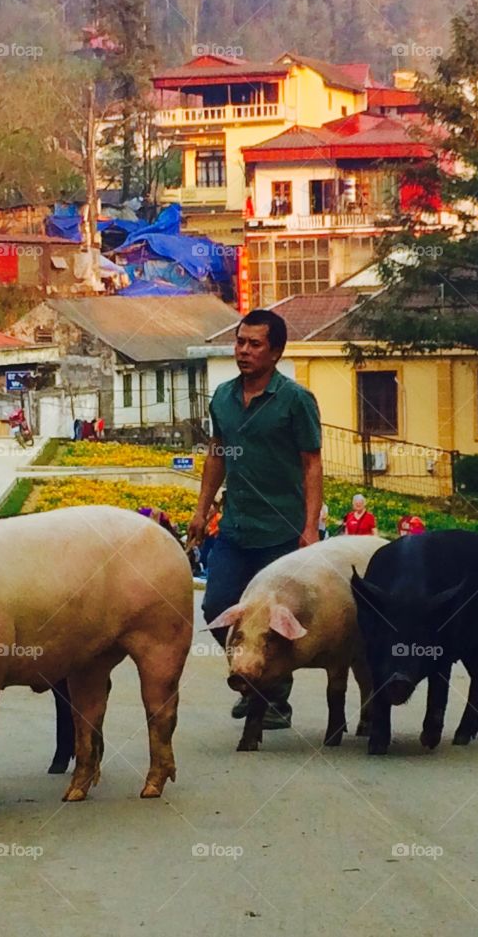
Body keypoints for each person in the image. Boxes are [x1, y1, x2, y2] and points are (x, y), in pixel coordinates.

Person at [188, 308, 322, 732]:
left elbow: (312, 463)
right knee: (217, 608)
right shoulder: (223, 397)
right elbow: (217, 454)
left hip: (282, 532)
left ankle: (273, 697)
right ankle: (257, 684)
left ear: (276, 352)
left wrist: (310, 527)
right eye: (240, 342)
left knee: (276, 622)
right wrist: (201, 510)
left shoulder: (296, 400)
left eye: (254, 344)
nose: (243, 351)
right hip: (235, 528)